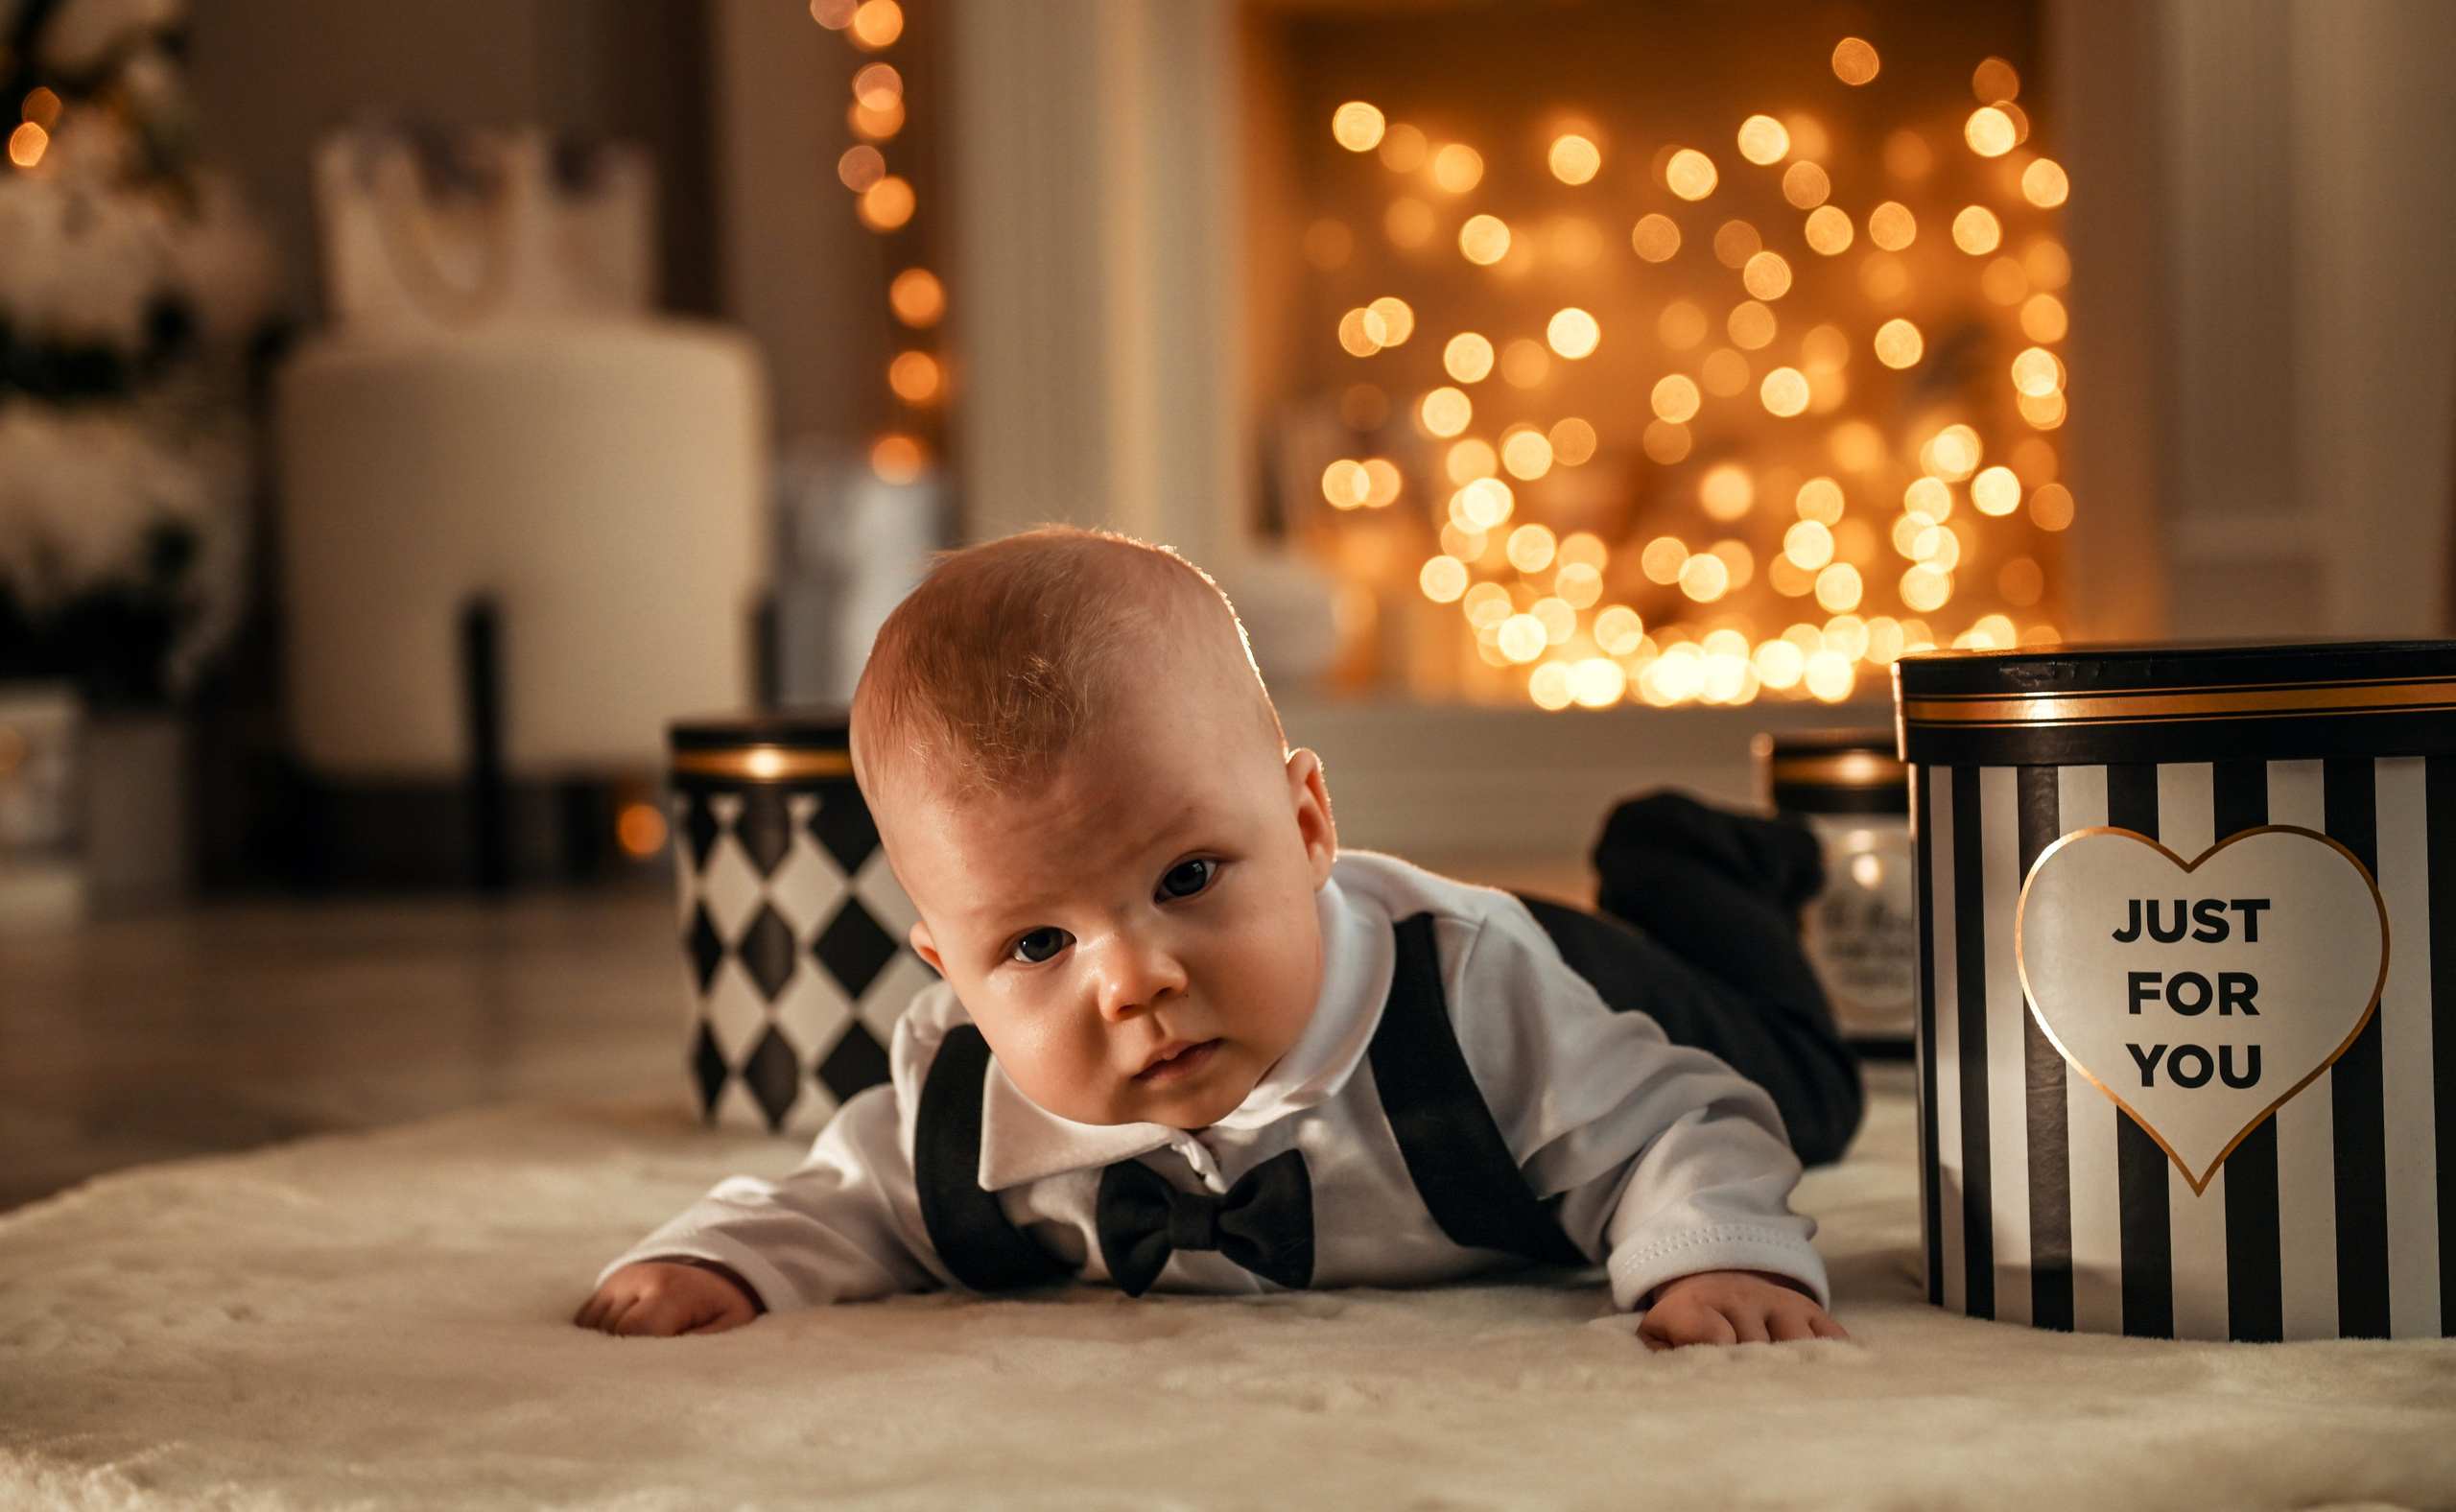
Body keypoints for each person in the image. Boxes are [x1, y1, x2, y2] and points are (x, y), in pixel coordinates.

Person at [578, 529, 1858, 1349]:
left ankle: (1687, 854)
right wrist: (722, 1259)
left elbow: (1681, 1125)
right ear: (949, 977)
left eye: (1187, 875)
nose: (1139, 978)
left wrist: (1706, 1259)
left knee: (1808, 1087)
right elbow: (846, 1201)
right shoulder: (967, 1103)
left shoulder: (1472, 996)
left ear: (1306, 824)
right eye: (1034, 946)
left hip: (1587, 971)